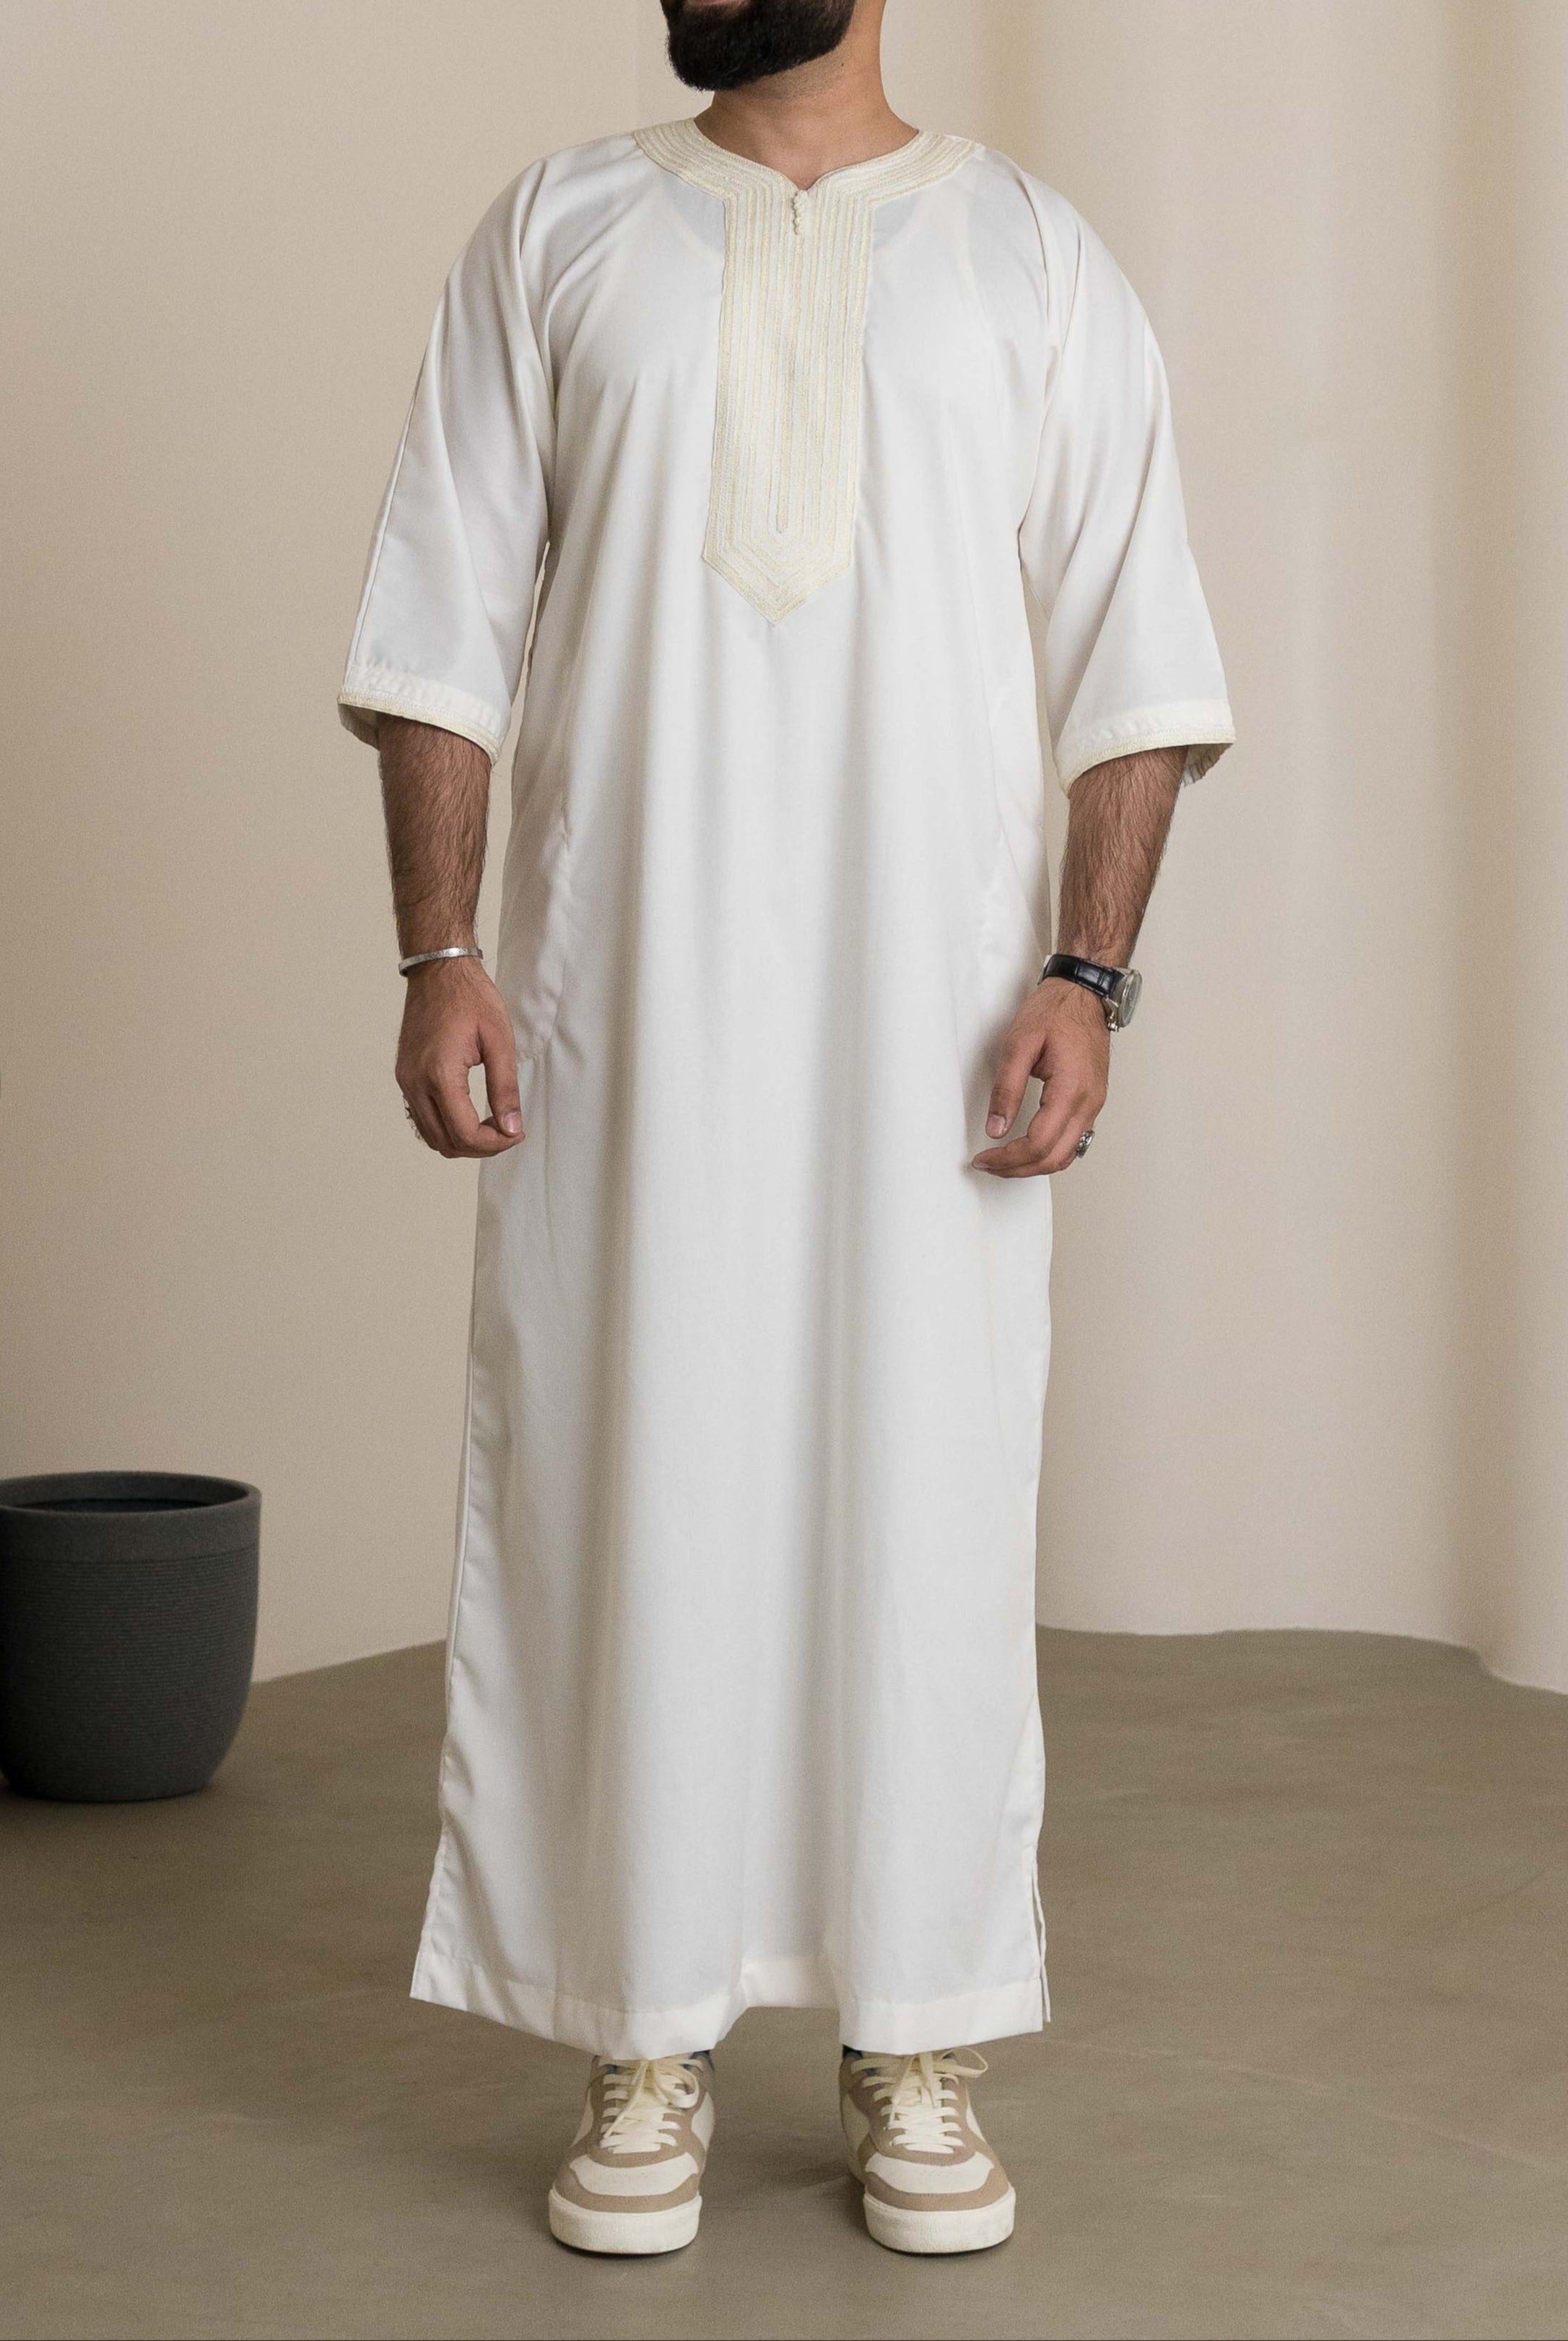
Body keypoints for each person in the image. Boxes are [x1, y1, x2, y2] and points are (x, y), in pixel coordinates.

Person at [339, 0, 1232, 2260]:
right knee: (623, 1475)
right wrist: (437, 950)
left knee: (920, 1494)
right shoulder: (556, 231)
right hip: (616, 1001)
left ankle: (914, 2028)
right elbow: (442, 613)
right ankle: (638, 2029)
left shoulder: (1029, 255)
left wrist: (1087, 972)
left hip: (933, 1021)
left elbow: (1134, 652)